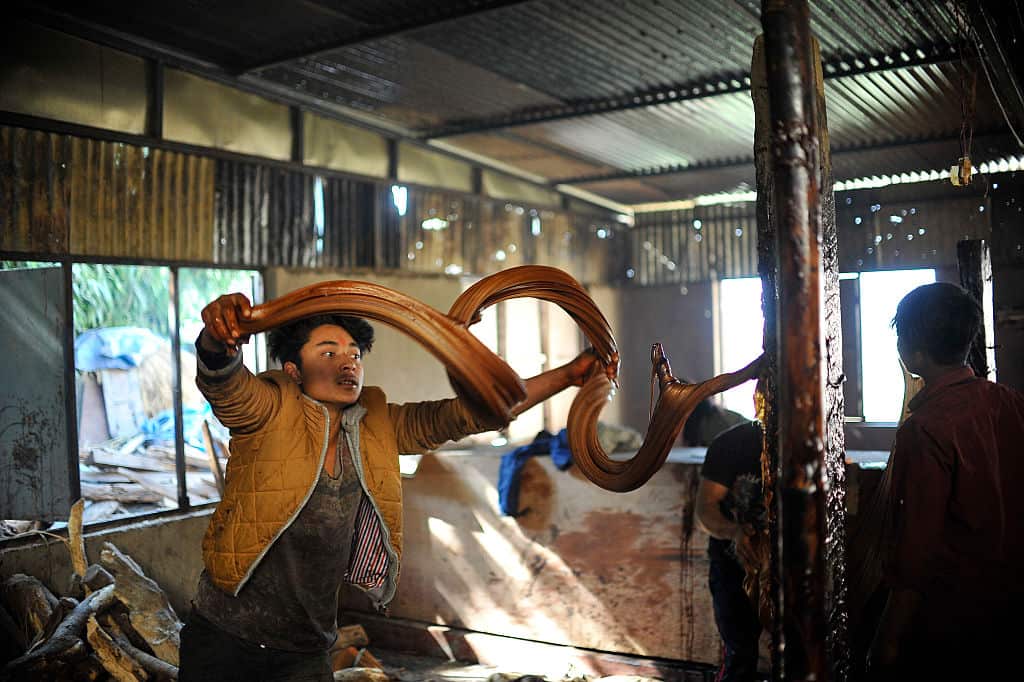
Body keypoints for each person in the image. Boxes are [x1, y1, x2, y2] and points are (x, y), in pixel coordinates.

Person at [179, 292, 597, 681]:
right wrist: (217, 338)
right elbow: (223, 381)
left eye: (354, 354)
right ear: (293, 370)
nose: (348, 363)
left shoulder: (375, 424)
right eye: (328, 352)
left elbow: (472, 413)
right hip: (227, 635)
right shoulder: (270, 405)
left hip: (306, 648)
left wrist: (570, 375)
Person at [865, 282, 1024, 680]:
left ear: (914, 353)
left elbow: (916, 551)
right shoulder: (1009, 402)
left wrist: (887, 639)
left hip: (951, 624)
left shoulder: (925, 428)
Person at [696, 389, 766, 682]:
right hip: (733, 566)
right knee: (740, 655)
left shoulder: (812, 443)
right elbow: (705, 510)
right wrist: (734, 532)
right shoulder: (730, 444)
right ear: (758, 399)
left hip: (793, 568)